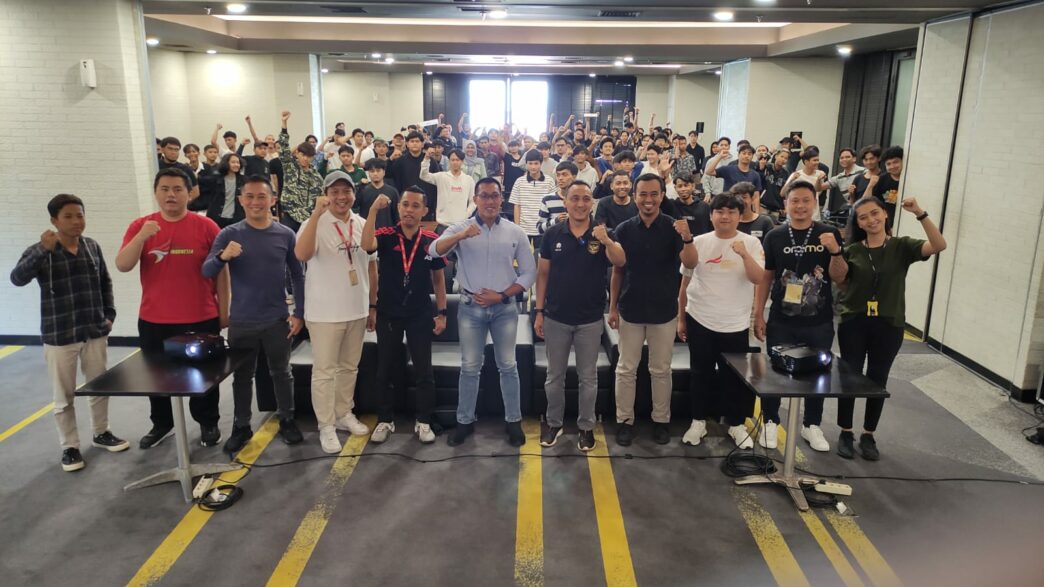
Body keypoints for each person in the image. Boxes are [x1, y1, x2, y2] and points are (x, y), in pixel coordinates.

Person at [10, 194, 128, 471]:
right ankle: (70, 447)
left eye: (80, 215)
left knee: (99, 387)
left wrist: (109, 315)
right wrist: (42, 249)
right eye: (68, 216)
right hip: (60, 335)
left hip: (94, 330)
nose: (76, 221)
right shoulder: (40, 250)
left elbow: (105, 282)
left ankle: (101, 432)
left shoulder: (91, 246)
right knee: (63, 396)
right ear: (54, 220)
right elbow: (17, 278)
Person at [115, 169, 229, 449]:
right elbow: (123, 265)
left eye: (178, 189)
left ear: (190, 193)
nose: (171, 195)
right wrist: (141, 237)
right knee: (156, 377)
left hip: (200, 316)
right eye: (164, 189)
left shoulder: (207, 227)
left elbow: (221, 272)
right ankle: (162, 423)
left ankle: (208, 422)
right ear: (156, 193)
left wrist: (224, 311)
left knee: (205, 377)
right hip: (154, 319)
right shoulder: (141, 226)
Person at [831, 195, 946, 460]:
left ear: (885, 214)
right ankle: (845, 431)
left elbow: (939, 245)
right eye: (863, 217)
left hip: (889, 323)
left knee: (878, 378)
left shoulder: (901, 246)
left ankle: (868, 434)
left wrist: (919, 212)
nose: (870, 220)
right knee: (849, 377)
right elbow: (839, 280)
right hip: (854, 321)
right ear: (858, 223)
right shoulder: (852, 250)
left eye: (875, 213)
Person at [429, 177, 537, 447]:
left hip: (504, 309)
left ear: (501, 199)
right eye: (484, 196)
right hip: (470, 310)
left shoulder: (515, 232)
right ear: (475, 199)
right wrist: (460, 236)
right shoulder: (461, 228)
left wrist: (501, 295)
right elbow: (433, 251)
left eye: (494, 196)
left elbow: (529, 273)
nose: (490, 201)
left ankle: (513, 421)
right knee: (470, 367)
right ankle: (464, 421)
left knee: (508, 366)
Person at [201, 176, 305, 452]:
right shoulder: (228, 234)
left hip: (277, 319)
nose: (256, 202)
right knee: (242, 376)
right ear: (241, 200)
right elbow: (206, 270)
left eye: (262, 196)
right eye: (250, 196)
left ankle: (287, 419)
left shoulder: (285, 234)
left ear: (273, 200)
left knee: (282, 372)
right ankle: (241, 425)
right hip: (242, 321)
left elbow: (297, 275)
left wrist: (300, 313)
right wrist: (223, 256)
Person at [752, 181, 845, 451]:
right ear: (786, 204)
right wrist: (759, 314)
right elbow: (766, 277)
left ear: (815, 203)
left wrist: (835, 251)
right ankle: (770, 420)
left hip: (819, 320)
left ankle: (811, 424)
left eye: (806, 200)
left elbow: (840, 277)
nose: (800, 206)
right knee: (775, 370)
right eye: (795, 201)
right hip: (782, 318)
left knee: (819, 373)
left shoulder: (829, 233)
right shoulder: (775, 235)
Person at [534, 181, 626, 451]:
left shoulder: (602, 232)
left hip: (590, 318)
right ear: (565, 201)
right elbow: (542, 275)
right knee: (554, 376)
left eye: (586, 199)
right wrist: (539, 312)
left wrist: (606, 239)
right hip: (556, 317)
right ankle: (554, 423)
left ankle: (586, 426)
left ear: (592, 203)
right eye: (575, 198)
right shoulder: (552, 234)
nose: (580, 204)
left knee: (588, 377)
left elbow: (620, 261)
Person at [609, 174, 698, 446]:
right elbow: (617, 272)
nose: (648, 199)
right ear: (635, 196)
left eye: (653, 194)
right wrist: (612, 308)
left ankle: (661, 420)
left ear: (662, 196)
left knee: (661, 370)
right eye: (643, 194)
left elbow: (690, 264)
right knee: (626, 369)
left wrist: (688, 238)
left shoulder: (674, 228)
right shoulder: (624, 230)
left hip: (664, 311)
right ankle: (624, 420)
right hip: (631, 309)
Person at [294, 171, 376, 453]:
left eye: (346, 191)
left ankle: (344, 413)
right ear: (326, 194)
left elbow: (372, 266)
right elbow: (302, 255)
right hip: (324, 312)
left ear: (354, 193)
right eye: (335, 192)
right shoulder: (313, 223)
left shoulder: (362, 223)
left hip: (356, 309)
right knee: (324, 372)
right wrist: (316, 215)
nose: (341, 197)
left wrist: (372, 305)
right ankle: (326, 425)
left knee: (349, 367)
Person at [677, 193, 765, 449]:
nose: (725, 216)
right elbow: (684, 283)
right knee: (699, 374)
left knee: (734, 378)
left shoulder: (751, 243)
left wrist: (744, 254)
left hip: (735, 323)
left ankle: (736, 424)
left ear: (740, 215)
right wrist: (681, 319)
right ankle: (698, 421)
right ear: (711, 215)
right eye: (719, 211)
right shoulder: (698, 242)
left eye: (731, 212)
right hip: (700, 318)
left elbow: (758, 278)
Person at [361, 188, 448, 444]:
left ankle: (424, 420)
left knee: (423, 369)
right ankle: (385, 419)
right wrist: (373, 210)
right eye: (405, 204)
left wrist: (442, 313)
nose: (409, 210)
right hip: (389, 312)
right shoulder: (386, 235)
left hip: (419, 313)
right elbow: (366, 245)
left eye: (415, 206)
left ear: (425, 211)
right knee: (385, 368)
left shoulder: (431, 240)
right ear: (398, 207)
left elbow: (439, 280)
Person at [276, 110, 323, 233]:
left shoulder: (316, 176)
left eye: (309, 156)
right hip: (290, 215)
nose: (306, 159)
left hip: (309, 218)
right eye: (303, 155)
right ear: (297, 154)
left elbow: (320, 197)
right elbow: (284, 148)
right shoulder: (290, 167)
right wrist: (284, 124)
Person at [420, 148, 476, 230]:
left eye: (457, 160)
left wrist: (466, 214)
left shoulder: (469, 180)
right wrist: (426, 158)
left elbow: (473, 201)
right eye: (452, 160)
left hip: (461, 225)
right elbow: (424, 176)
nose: (455, 162)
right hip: (443, 224)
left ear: (462, 161)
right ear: (449, 161)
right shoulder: (441, 176)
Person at [510, 150, 558, 245]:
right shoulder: (519, 181)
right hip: (524, 228)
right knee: (523, 254)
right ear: (526, 164)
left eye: (536, 163)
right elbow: (517, 206)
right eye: (530, 163)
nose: (533, 167)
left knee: (541, 254)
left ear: (541, 163)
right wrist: (517, 227)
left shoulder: (549, 181)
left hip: (543, 228)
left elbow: (552, 207)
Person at [388, 131, 437, 220]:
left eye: (417, 141)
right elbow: (389, 175)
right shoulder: (400, 161)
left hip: (426, 206)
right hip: (406, 206)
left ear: (422, 144)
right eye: (412, 141)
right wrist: (390, 159)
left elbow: (436, 183)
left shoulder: (430, 161)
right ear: (407, 144)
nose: (414, 143)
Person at [866, 146, 903, 229]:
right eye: (888, 164)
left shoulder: (910, 180)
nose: (892, 166)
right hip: (887, 225)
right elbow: (868, 202)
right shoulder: (881, 180)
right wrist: (870, 186)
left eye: (895, 162)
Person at [537, 161, 578, 234]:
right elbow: (539, 228)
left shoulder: (581, 200)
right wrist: (555, 221)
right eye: (558, 175)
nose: (560, 178)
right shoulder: (548, 199)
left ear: (574, 177)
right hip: (554, 240)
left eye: (564, 175)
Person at [206, 153, 246, 229]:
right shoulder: (216, 179)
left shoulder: (244, 180)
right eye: (233, 162)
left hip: (237, 218)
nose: (236, 165)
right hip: (217, 217)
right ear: (226, 163)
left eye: (238, 162)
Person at [357, 158, 400, 228]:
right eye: (372, 171)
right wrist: (359, 187)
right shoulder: (363, 190)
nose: (375, 174)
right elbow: (354, 205)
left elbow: (397, 216)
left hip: (388, 231)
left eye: (378, 170)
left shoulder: (393, 192)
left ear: (384, 172)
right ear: (368, 173)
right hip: (367, 231)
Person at [824, 147, 864, 211]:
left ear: (854, 159)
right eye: (841, 158)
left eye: (847, 157)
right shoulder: (839, 177)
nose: (844, 159)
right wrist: (818, 178)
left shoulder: (864, 172)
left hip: (866, 207)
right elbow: (819, 188)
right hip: (852, 210)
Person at [760, 150, 792, 221]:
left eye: (786, 158)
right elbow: (760, 160)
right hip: (762, 205)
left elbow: (786, 191)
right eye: (781, 156)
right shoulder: (767, 167)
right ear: (776, 156)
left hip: (776, 208)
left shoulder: (786, 173)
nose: (783, 159)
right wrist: (770, 153)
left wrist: (785, 207)